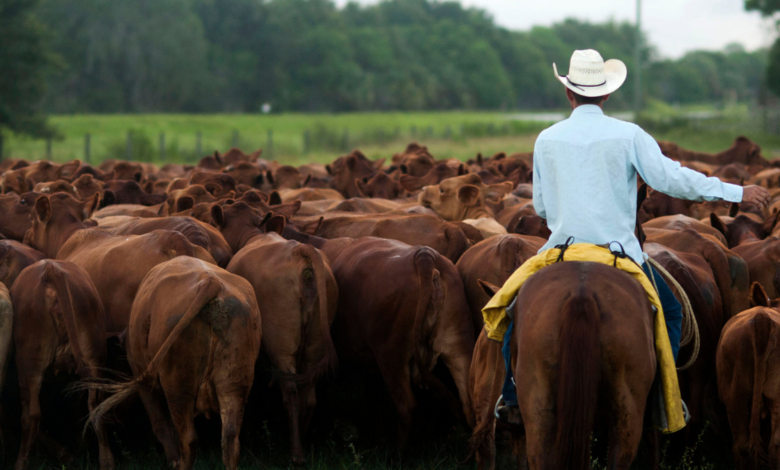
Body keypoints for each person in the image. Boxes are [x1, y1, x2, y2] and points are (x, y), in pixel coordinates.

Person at [496, 49, 770, 422]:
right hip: (620, 255)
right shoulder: (629, 135)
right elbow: (670, 179)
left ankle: (511, 399)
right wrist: (736, 192)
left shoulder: (546, 139)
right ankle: (659, 397)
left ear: (568, 93)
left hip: (561, 252)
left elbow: (542, 208)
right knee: (671, 313)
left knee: (512, 314)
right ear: (607, 94)